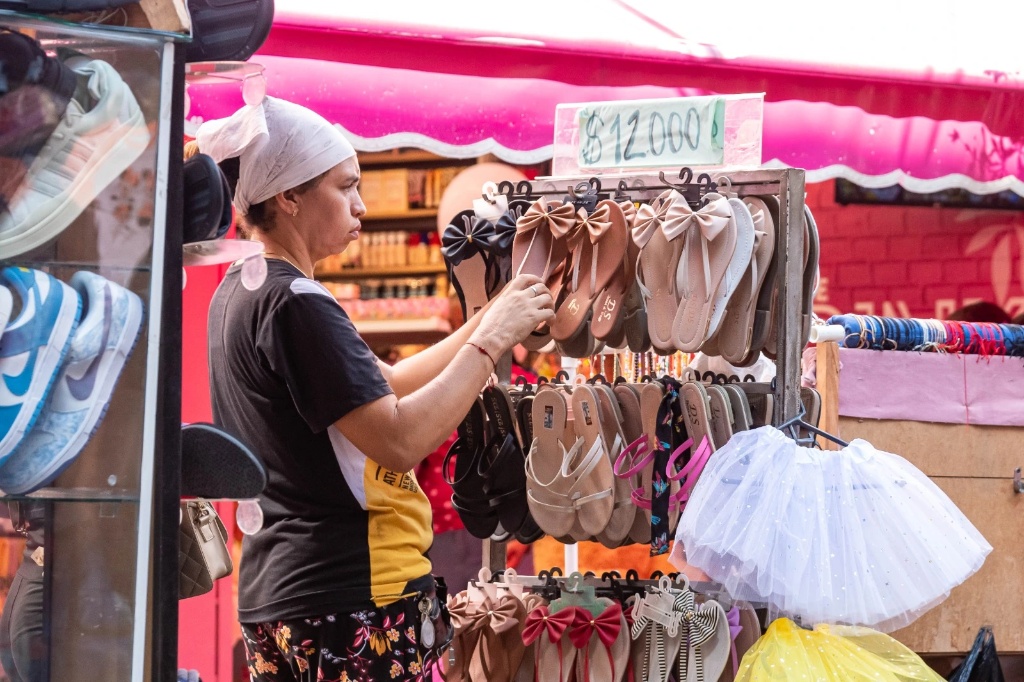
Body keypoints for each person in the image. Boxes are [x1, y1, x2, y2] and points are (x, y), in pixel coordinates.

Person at [197, 97, 554, 682]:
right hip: (350, 591)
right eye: (345, 187)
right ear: (289, 197)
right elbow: (399, 437)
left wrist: (486, 319)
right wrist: (488, 342)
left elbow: (382, 385)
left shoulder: (240, 291)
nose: (360, 204)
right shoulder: (297, 301)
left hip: (277, 591)